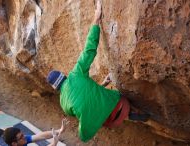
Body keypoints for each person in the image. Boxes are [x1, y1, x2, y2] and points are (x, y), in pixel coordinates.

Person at [47, 0, 149, 142]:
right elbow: (89, 49)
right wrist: (96, 17)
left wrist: (103, 83)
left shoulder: (64, 104)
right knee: (115, 96)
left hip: (110, 122)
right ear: (63, 75)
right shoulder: (75, 73)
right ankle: (130, 111)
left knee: (95, 114)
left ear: (55, 87)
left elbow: (86, 103)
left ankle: (125, 116)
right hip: (121, 104)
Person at [3, 118, 69, 146]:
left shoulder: (22, 140)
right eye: (21, 136)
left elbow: (41, 136)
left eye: (22, 134)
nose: (24, 136)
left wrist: (59, 130)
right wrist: (54, 143)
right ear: (14, 143)